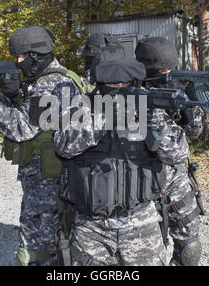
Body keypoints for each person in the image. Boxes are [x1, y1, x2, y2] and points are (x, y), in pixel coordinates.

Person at [0, 25, 85, 266]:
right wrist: (11, 98)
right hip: (45, 182)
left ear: (36, 57)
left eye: (21, 57)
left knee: (38, 252)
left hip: (49, 186)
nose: (17, 61)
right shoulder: (44, 81)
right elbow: (23, 118)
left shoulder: (53, 84)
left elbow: (21, 128)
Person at [54, 58, 177, 266]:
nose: (120, 90)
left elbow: (177, 155)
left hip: (141, 224)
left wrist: (160, 129)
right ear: (101, 86)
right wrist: (104, 118)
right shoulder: (81, 108)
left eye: (125, 85)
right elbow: (63, 146)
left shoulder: (148, 108)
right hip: (91, 228)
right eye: (113, 85)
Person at [135, 36, 205, 266]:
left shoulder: (175, 87)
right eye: (162, 69)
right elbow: (170, 150)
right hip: (141, 183)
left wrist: (194, 106)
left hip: (176, 181)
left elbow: (193, 132)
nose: (168, 73)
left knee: (189, 247)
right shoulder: (130, 94)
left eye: (170, 68)